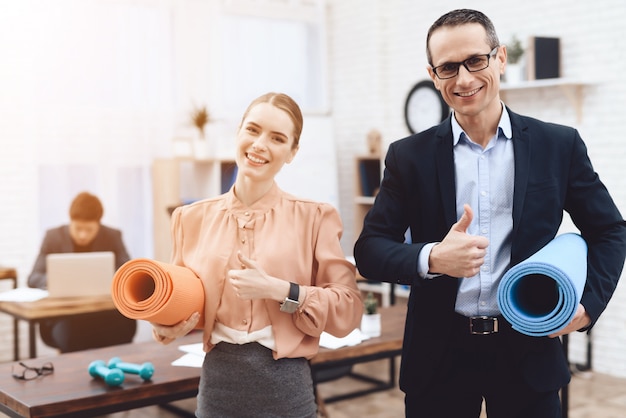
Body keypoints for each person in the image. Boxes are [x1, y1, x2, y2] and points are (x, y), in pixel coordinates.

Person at [354, 9, 626, 418]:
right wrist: (432, 258)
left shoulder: (559, 146)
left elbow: (609, 230)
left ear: (499, 59)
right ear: (433, 75)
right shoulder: (408, 157)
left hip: (528, 350)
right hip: (438, 357)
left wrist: (588, 306)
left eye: (475, 61)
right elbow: (369, 250)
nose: (463, 79)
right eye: (448, 67)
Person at [151, 92, 363, 418]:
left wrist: (281, 290)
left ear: (292, 152)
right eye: (253, 130)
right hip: (217, 391)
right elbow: (177, 305)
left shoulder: (316, 218)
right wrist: (168, 327)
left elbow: (348, 310)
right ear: (238, 133)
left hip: (287, 393)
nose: (260, 144)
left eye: (277, 138)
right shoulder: (189, 219)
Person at [28, 191, 137, 352]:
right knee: (72, 335)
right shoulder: (53, 237)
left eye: (89, 229)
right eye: (78, 228)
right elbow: (33, 278)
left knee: (120, 330)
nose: (83, 235)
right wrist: (55, 280)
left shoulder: (112, 236)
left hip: (105, 314)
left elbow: (129, 274)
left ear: (99, 224)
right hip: (65, 317)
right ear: (70, 221)